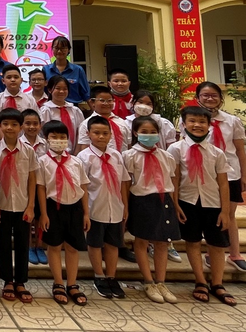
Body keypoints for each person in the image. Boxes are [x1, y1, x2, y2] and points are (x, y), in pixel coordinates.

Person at [168, 105, 236, 306]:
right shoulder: (176, 149)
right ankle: (200, 281)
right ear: (184, 124)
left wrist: (225, 211)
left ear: (209, 125)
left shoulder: (217, 152)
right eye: (192, 121)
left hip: (213, 203)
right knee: (193, 241)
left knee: (217, 244)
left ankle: (217, 283)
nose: (197, 125)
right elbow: (175, 179)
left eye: (202, 122)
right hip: (187, 202)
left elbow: (223, 183)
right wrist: (175, 205)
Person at [184, 81, 246, 271]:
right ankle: (212, 251)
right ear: (197, 98)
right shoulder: (191, 120)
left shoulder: (232, 121)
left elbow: (240, 150)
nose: (210, 98)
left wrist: (244, 175)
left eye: (214, 95)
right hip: (203, 176)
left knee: (229, 214)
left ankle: (234, 254)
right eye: (205, 95)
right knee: (208, 215)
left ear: (220, 98)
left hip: (231, 174)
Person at [123, 115, 180, 304]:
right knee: (141, 241)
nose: (149, 135)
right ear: (135, 133)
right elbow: (126, 182)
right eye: (144, 132)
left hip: (163, 200)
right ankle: (148, 281)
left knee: (162, 242)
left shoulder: (166, 156)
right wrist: (126, 206)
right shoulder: (129, 155)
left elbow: (172, 181)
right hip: (141, 200)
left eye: (153, 132)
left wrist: (175, 204)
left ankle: (161, 282)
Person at [36, 119, 90, 306]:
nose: (58, 140)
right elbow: (41, 188)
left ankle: (72, 284)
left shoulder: (76, 161)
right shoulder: (42, 162)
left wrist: (86, 213)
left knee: (73, 247)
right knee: (54, 246)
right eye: (54, 137)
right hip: (53, 207)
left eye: (62, 137)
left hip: (75, 208)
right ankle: (58, 282)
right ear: (46, 139)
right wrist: (43, 214)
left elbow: (83, 186)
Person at [0, 108, 37, 303]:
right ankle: (7, 280)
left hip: (23, 205)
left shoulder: (29, 151)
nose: (9, 128)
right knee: (3, 244)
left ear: (21, 127)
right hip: (2, 205)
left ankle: (21, 281)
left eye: (14, 124)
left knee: (23, 244)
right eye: (5, 124)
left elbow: (32, 179)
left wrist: (31, 205)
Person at [76, 115, 130, 300]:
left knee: (113, 244)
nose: (101, 136)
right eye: (97, 133)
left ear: (111, 135)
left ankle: (111, 277)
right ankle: (99, 275)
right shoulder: (84, 157)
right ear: (88, 134)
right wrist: (84, 212)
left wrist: (125, 206)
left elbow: (123, 182)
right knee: (95, 243)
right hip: (94, 207)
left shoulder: (116, 156)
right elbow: (83, 186)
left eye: (105, 133)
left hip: (115, 207)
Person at [20, 108, 47, 265]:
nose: (32, 127)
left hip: (42, 185)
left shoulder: (45, 144)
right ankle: (29, 246)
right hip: (24, 186)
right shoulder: (19, 144)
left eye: (35, 124)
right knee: (28, 217)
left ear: (40, 125)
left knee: (39, 217)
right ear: (21, 125)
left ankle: (39, 246)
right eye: (28, 123)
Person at [75, 85, 131, 154]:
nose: (106, 103)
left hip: (120, 159)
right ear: (92, 102)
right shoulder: (86, 124)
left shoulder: (122, 122)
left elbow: (128, 144)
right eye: (102, 100)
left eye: (109, 100)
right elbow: (84, 147)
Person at [0, 64, 36, 140]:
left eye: (16, 77)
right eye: (9, 77)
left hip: (26, 140)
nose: (13, 80)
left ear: (21, 80)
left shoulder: (30, 99)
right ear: (3, 81)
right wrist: (5, 141)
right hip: (4, 140)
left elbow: (35, 120)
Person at [39, 76, 85, 152]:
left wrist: (77, 152)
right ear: (50, 90)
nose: (61, 91)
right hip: (52, 152)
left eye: (65, 89)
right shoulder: (46, 110)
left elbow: (80, 132)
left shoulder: (75, 110)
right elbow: (43, 133)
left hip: (74, 152)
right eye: (58, 88)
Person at [42, 36, 89, 104]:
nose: (59, 51)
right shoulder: (46, 69)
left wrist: (93, 109)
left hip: (73, 107)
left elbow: (86, 93)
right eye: (56, 48)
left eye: (63, 48)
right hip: (51, 107)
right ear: (52, 49)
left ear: (69, 50)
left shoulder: (78, 70)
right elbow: (43, 91)